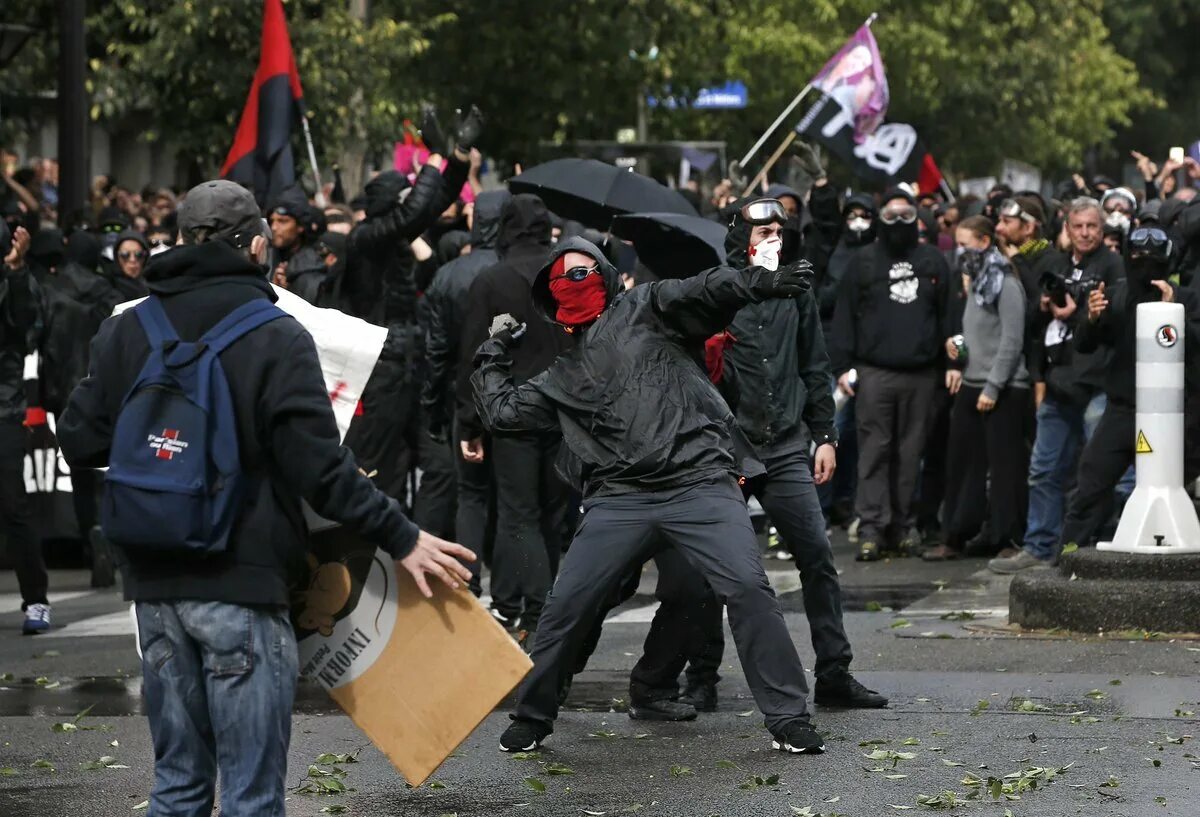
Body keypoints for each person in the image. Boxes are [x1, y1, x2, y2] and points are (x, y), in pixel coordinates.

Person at [57, 179, 474, 817]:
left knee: (176, 788)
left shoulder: (128, 330)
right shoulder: (277, 335)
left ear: (176, 241)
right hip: (242, 586)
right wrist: (404, 536)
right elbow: (320, 470)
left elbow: (80, 441)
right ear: (257, 247)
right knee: (252, 798)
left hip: (154, 589)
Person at [473, 236, 829, 755]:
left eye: (585, 272)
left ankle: (789, 718)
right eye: (563, 279)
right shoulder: (562, 375)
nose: (576, 284)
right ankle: (531, 715)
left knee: (749, 590)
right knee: (566, 604)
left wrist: (759, 281)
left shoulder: (646, 307)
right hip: (620, 498)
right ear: (549, 296)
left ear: (608, 275)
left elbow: (703, 289)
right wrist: (492, 351)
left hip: (699, 482)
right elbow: (503, 413)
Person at [624, 197, 887, 716]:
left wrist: (825, 435)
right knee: (710, 571)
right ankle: (701, 679)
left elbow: (815, 365)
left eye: (778, 231)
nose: (773, 239)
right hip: (725, 451)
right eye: (762, 230)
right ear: (739, 236)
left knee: (817, 556)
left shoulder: (797, 292)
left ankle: (834, 671)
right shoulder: (716, 290)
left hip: (787, 443)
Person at [989, 198, 1124, 572]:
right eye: (1078, 226)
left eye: (1092, 227)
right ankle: (1039, 546)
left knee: (1099, 473)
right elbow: (1035, 318)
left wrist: (1077, 312)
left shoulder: (1114, 266)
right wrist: (1047, 304)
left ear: (1102, 229)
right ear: (1067, 227)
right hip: (1059, 380)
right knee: (1044, 469)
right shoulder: (1059, 264)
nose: (1084, 233)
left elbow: (1114, 321)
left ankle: (1097, 548)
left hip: (1097, 383)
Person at [458, 194, 571, 641]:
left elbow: (474, 356)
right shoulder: (567, 275)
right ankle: (543, 608)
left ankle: (536, 610)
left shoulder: (492, 281)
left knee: (519, 514)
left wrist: (470, 422)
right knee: (551, 515)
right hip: (565, 411)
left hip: (512, 413)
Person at [1054, 226, 1200, 549]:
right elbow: (1083, 345)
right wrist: (1091, 318)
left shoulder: (1187, 299)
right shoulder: (1115, 296)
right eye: (1137, 257)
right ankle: (1067, 556)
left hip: (1176, 415)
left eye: (1153, 259)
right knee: (1090, 484)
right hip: (1123, 410)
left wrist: (1173, 315)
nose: (1145, 266)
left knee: (1175, 486)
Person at [829, 188, 953, 561]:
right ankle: (871, 528)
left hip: (921, 373)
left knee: (909, 453)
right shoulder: (863, 262)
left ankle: (903, 526)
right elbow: (844, 317)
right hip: (875, 372)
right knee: (874, 452)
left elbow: (949, 316)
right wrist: (843, 368)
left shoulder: (933, 260)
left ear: (917, 219)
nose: (899, 223)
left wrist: (953, 364)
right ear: (880, 219)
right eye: (891, 215)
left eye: (906, 215)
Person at [927, 216, 1030, 560]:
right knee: (961, 463)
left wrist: (994, 386)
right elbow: (976, 330)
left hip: (1001, 387)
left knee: (1004, 468)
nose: (960, 251)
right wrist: (958, 347)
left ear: (984, 242)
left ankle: (1006, 538)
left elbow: (1012, 339)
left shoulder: (1006, 282)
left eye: (965, 243)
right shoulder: (977, 280)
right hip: (973, 381)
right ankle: (955, 533)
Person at [417, 190, 509, 567]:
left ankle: (469, 578)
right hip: (513, 396)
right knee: (513, 498)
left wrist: (432, 409)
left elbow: (435, 351)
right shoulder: (517, 271)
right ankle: (511, 587)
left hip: (463, 394)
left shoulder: (448, 274)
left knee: (470, 492)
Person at [0, 223, 48, 633]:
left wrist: (15, 271)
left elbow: (25, 328)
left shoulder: (17, 284)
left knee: (12, 506)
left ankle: (36, 600)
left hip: (3, 410)